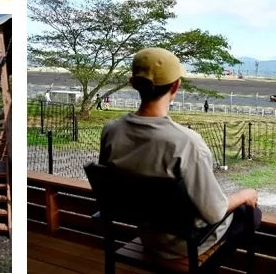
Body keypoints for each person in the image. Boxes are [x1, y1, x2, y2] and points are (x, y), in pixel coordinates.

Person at [99, 48, 261, 259]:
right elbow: (214, 212)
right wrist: (244, 195)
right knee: (252, 213)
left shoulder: (111, 130)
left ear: (133, 83)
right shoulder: (186, 142)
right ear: (176, 86)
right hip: (189, 244)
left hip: (147, 235)